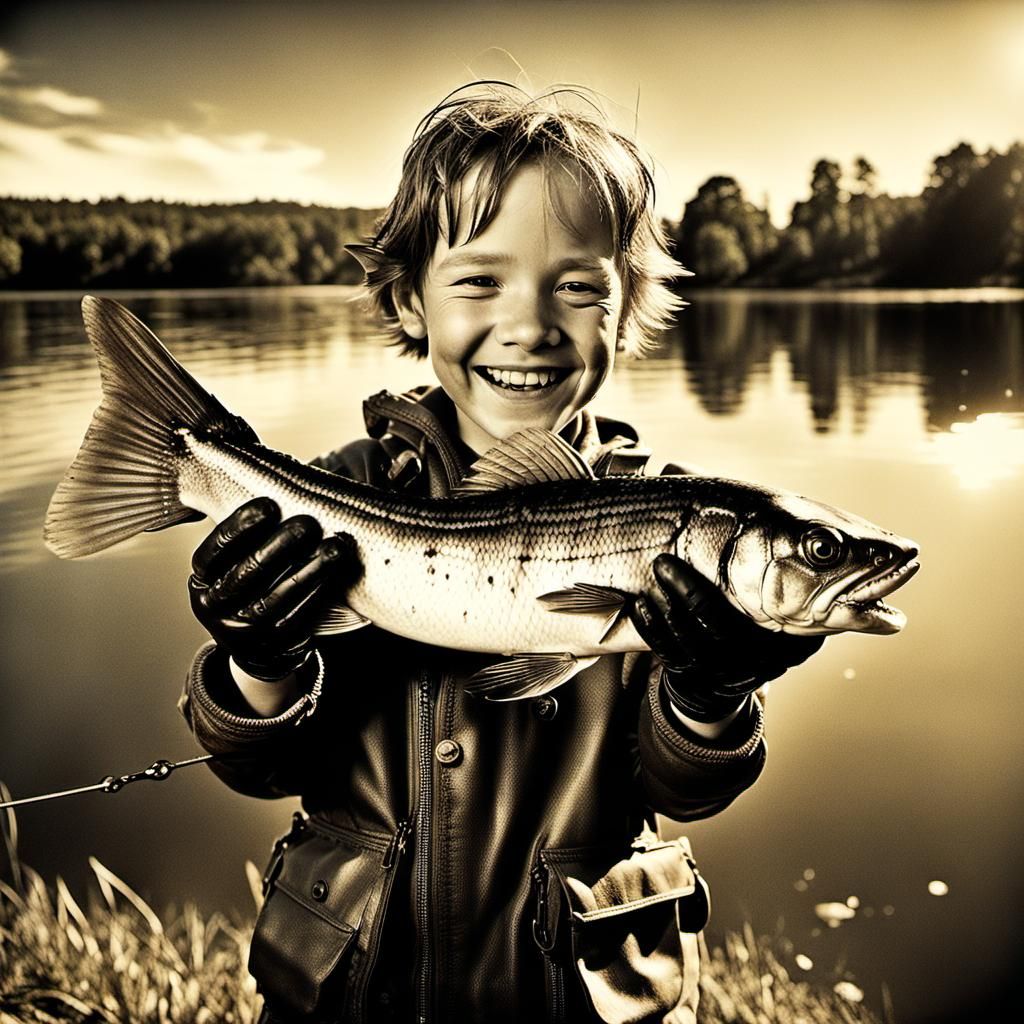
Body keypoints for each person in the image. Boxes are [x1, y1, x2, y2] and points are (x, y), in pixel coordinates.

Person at [179, 83, 823, 1024]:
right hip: (359, 993)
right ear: (410, 297)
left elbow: (685, 789)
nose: (530, 324)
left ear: (628, 305)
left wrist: (711, 693)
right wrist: (257, 665)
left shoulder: (679, 525)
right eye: (480, 280)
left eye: (578, 285)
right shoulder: (336, 491)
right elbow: (260, 768)